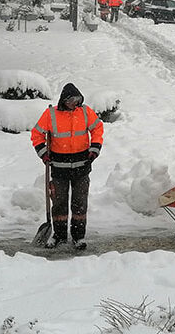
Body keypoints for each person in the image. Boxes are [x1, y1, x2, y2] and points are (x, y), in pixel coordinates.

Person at [31, 83, 104, 250]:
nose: (75, 103)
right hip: (58, 168)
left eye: (78, 99)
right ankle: (59, 235)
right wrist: (43, 153)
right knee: (59, 203)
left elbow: (98, 128)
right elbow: (37, 134)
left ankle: (78, 237)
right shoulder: (51, 114)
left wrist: (95, 149)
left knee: (80, 204)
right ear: (64, 100)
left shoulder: (85, 112)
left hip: (82, 167)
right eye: (72, 100)